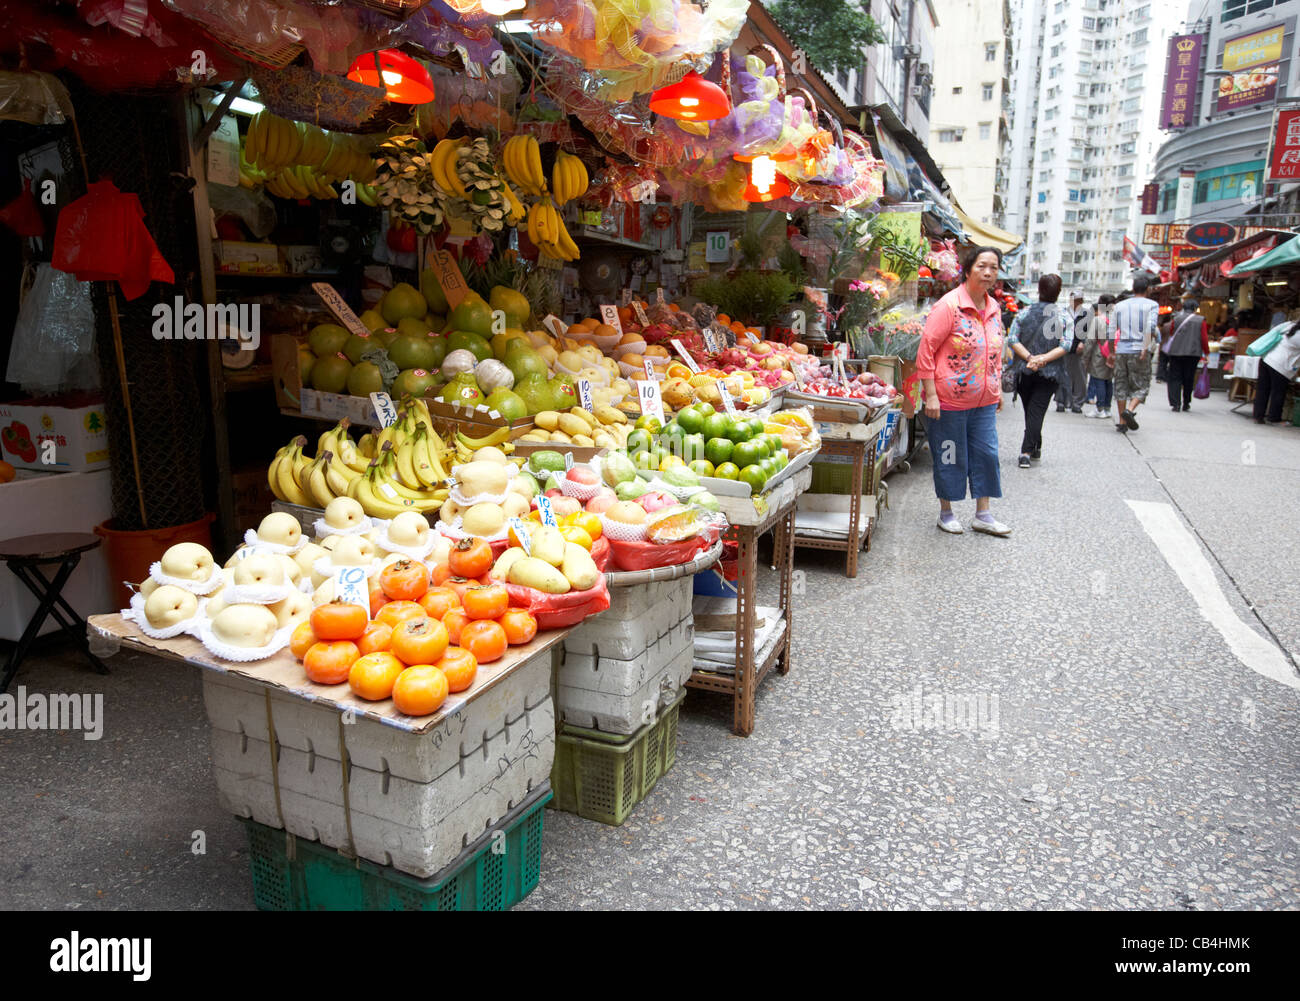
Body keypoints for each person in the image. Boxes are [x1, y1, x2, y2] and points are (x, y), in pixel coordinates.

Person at [917, 246, 1010, 537]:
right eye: (982, 266)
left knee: (986, 454)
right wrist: (930, 394)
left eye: (993, 267)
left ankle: (983, 514)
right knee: (950, 455)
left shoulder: (994, 308)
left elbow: (995, 352)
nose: (988, 272)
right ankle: (947, 512)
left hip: (984, 400)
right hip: (948, 401)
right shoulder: (949, 305)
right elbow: (926, 350)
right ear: (968, 269)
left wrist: (998, 388)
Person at [1007, 273, 1074, 468]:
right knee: (1035, 411)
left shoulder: (1024, 312)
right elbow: (1067, 345)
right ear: (1058, 292)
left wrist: (1030, 358)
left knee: (1032, 409)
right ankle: (1035, 445)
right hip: (1050, 373)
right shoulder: (1063, 316)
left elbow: (1012, 339)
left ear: (1039, 290)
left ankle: (1026, 452)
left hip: (1024, 370)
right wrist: (1042, 359)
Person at [1107, 274, 1159, 433]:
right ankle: (1129, 410)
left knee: (1121, 383)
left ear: (1133, 288)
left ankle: (1122, 422)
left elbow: (1111, 331)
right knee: (1142, 384)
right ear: (1148, 289)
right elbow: (1150, 327)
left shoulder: (1120, 306)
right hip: (1138, 349)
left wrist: (1111, 352)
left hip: (1121, 349)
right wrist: (1145, 348)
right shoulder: (1152, 305)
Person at [1161, 297, 1209, 412]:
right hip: (1193, 353)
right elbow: (1204, 338)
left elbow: (1172, 333)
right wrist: (1206, 353)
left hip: (1176, 352)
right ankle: (1186, 402)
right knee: (1189, 377)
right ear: (1194, 308)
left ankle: (1175, 403)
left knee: (1175, 377)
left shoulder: (1176, 319)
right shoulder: (1201, 320)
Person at [1253, 319, 1300, 424]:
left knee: (1262, 389)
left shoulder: (1289, 325)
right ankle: (1273, 418)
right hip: (1281, 365)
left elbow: (1274, 331)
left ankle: (1258, 416)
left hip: (1267, 359)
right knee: (1278, 392)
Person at [1054, 290, 1088, 413]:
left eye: (1079, 300)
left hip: (1079, 350)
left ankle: (1077, 403)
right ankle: (1061, 401)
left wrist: (1083, 342)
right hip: (1064, 348)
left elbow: (1090, 331)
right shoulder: (1063, 312)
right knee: (1063, 375)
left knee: (1080, 378)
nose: (1077, 302)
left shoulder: (1086, 314)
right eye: (1075, 300)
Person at [1082, 293, 1115, 419]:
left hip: (1099, 354)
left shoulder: (1098, 320)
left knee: (1098, 380)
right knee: (1108, 381)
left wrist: (1085, 358)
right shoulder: (1116, 319)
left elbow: (1090, 341)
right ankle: (1107, 408)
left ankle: (1099, 408)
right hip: (1112, 354)